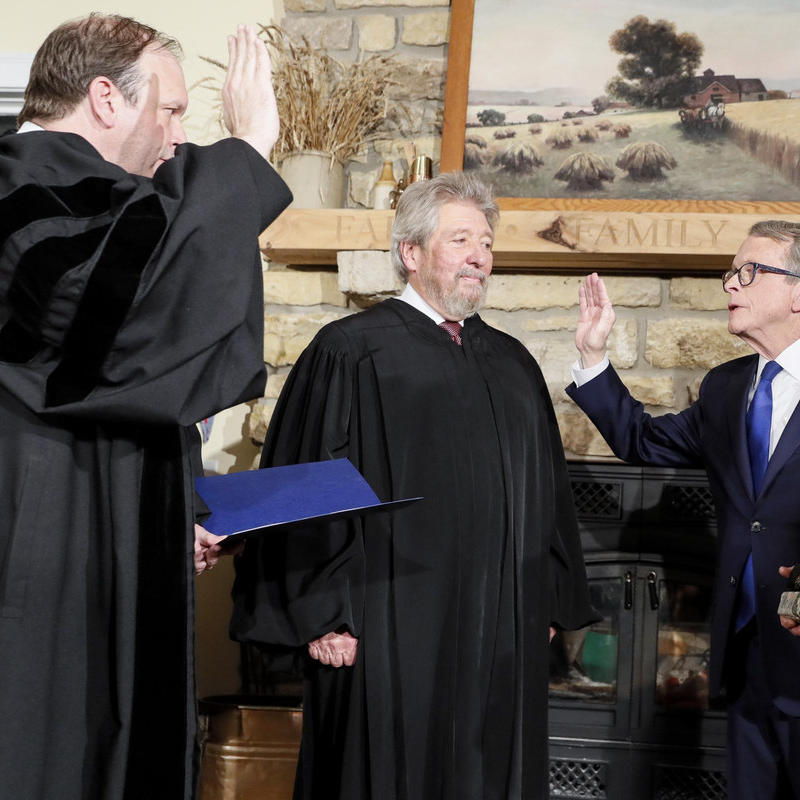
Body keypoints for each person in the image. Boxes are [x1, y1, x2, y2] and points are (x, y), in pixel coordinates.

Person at [0, 15, 289, 800]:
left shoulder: (86, 201)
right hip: (32, 543)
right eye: (171, 111)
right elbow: (119, 326)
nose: (179, 137)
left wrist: (170, 513)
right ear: (105, 97)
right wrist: (248, 156)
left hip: (85, 527)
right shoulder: (1, 187)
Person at [230, 172, 596, 800]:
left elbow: (548, 495)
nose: (479, 256)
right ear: (411, 253)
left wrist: (545, 600)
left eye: (486, 242)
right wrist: (325, 616)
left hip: (498, 625)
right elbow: (306, 486)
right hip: (386, 626)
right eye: (460, 240)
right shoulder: (350, 351)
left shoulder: (512, 363)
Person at [567, 220, 800, 799]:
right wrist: (592, 355)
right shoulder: (726, 386)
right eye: (733, 273)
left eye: (748, 272)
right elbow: (643, 442)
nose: (730, 285)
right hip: (745, 650)